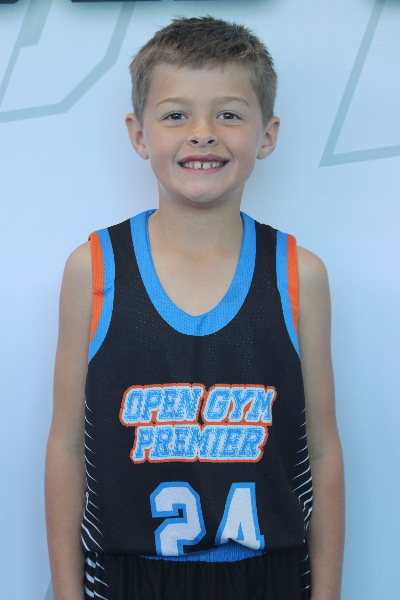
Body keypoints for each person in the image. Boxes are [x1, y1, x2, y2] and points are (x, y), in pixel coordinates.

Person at [45, 14, 345, 600]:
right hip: (127, 577)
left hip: (269, 576)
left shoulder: (299, 275)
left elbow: (324, 451)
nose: (203, 133)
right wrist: (65, 592)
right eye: (176, 115)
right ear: (139, 134)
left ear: (267, 134)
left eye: (229, 114)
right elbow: (66, 446)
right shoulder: (94, 270)